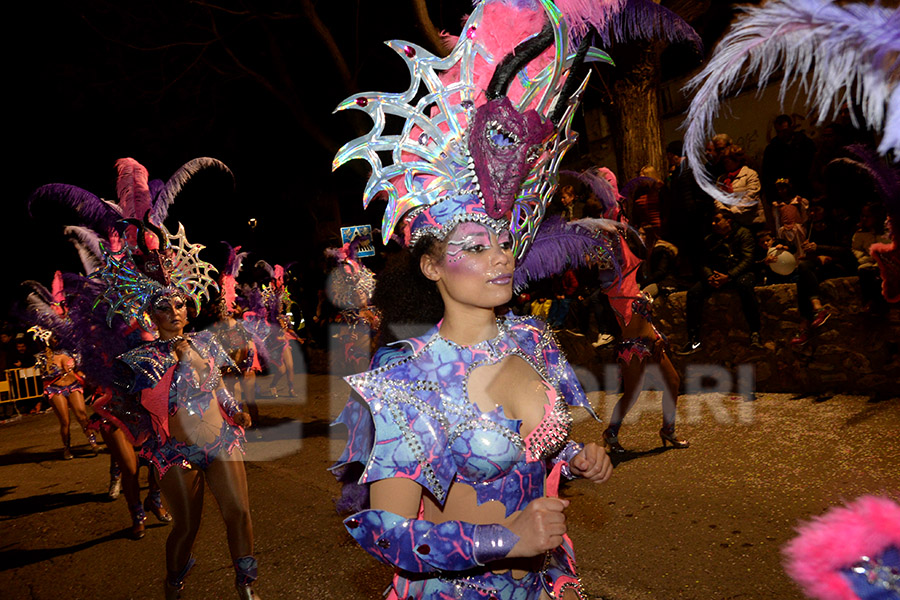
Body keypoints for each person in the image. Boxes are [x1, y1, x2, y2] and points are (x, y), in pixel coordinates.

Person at [330, 2, 622, 597]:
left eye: (505, 242)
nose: (501, 257)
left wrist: (581, 456)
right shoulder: (408, 379)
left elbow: (543, 446)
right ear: (432, 264)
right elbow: (384, 530)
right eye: (475, 245)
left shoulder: (535, 342)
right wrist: (504, 540)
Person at [96, 220, 260, 600]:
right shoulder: (137, 361)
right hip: (175, 454)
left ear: (189, 305)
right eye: (163, 306)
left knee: (238, 511)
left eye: (179, 303)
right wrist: (145, 438)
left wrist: (236, 412)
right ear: (150, 314)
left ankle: (246, 585)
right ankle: (174, 582)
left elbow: (218, 388)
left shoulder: (205, 342)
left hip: (221, 440)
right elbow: (118, 408)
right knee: (187, 527)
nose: (174, 311)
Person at [678, 209, 762, 354]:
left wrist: (729, 276)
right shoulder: (710, 239)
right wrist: (710, 276)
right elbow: (702, 262)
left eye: (717, 220)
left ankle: (755, 332)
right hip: (718, 276)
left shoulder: (743, 234)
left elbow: (747, 259)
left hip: (738, 274)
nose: (713, 224)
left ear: (728, 221)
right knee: (694, 293)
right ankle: (693, 340)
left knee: (745, 286)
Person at [30, 329, 99, 459]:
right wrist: (58, 372)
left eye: (58, 337)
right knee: (65, 421)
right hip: (56, 390)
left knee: (82, 416)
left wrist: (84, 375)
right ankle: (67, 448)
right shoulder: (43, 357)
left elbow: (79, 370)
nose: (56, 340)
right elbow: (44, 377)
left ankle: (93, 443)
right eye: (53, 338)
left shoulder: (71, 352)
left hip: (73, 386)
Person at [716, 145, 766, 229]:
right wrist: (724, 211)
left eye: (727, 161)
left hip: (752, 222)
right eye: (724, 162)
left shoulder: (750, 174)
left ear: (737, 160)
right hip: (733, 224)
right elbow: (717, 198)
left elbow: (751, 196)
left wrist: (733, 211)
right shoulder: (722, 179)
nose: (725, 164)